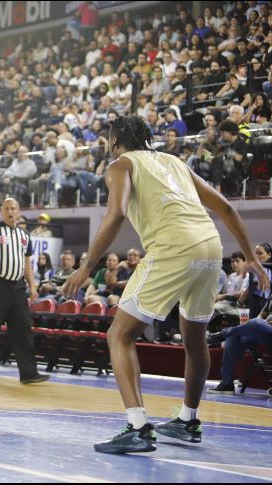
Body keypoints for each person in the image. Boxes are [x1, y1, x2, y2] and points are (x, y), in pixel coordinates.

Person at [63, 115, 269, 454]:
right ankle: (188, 420)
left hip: (173, 246)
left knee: (119, 334)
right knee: (194, 337)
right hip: (209, 245)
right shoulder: (174, 162)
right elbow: (228, 208)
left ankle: (138, 427)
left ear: (115, 143)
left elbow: (114, 215)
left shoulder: (120, 165)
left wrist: (86, 267)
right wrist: (252, 258)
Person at [0, 198, 50, 384]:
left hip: (18, 287)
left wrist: (32, 285)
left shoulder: (24, 234)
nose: (10, 211)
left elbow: (27, 263)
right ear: (2, 210)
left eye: (13, 209)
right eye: (7, 208)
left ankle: (28, 373)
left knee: (23, 329)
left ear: (18, 211)